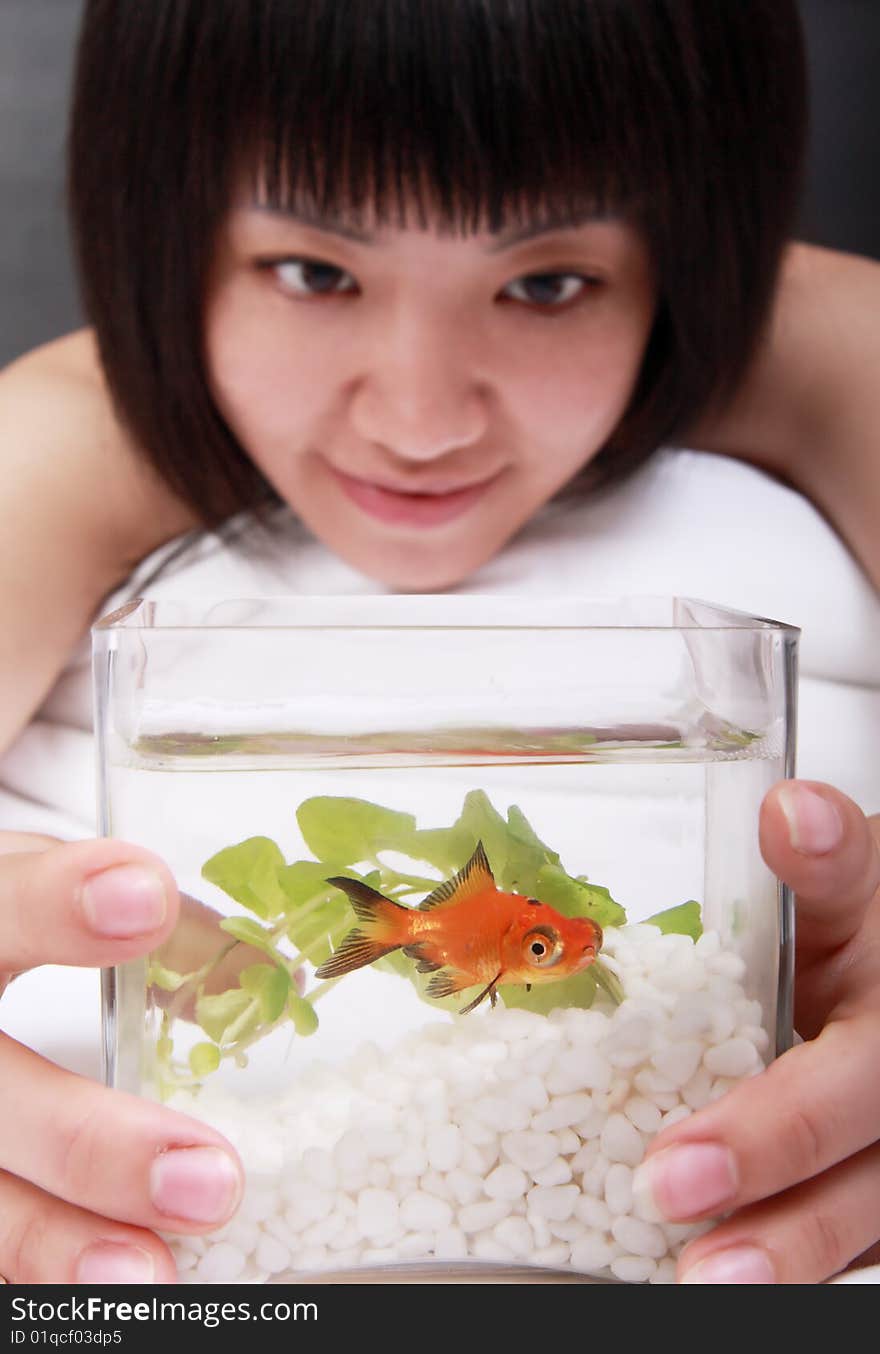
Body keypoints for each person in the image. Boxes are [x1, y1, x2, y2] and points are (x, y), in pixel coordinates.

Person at [1, 0, 879, 1286]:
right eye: (315, 272)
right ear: (161, 227)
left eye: (544, 284)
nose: (418, 421)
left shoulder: (826, 348)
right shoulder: (53, 444)